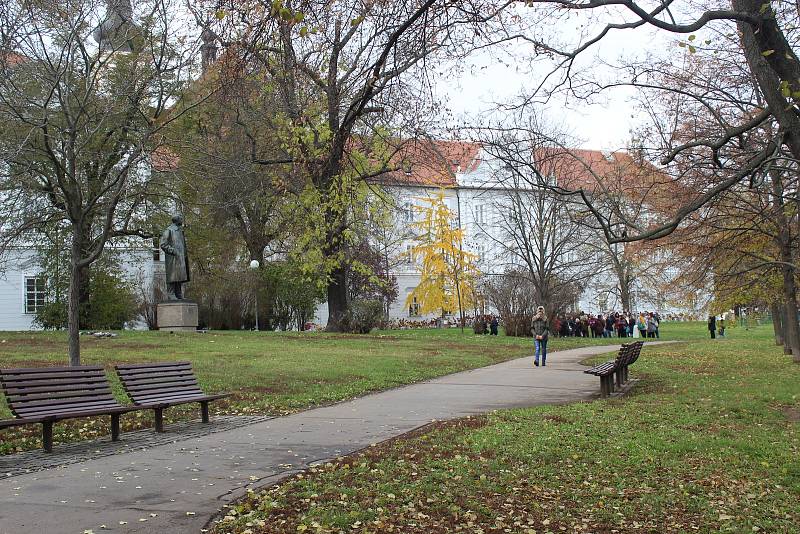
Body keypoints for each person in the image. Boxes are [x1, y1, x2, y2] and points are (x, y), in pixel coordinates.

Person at [160, 214, 190, 300]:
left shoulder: (180, 231)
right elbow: (163, 244)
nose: (182, 220)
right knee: (173, 276)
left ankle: (178, 293)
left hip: (180, 258)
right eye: (181, 219)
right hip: (173, 258)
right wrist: (173, 251)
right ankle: (171, 293)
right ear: (177, 220)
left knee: (179, 276)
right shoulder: (169, 230)